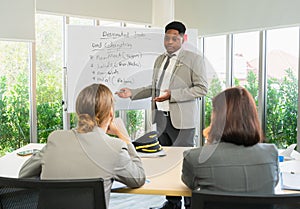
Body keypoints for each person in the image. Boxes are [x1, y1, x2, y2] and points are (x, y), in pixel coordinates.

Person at [116, 21, 208, 209]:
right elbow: (155, 88)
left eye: (175, 38)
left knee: (184, 163)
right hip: (161, 118)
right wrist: (132, 92)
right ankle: (172, 202)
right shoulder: (160, 59)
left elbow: (202, 88)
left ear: (184, 38)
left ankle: (190, 203)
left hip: (182, 121)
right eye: (167, 37)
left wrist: (172, 95)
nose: (170, 42)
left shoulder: (194, 59)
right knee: (166, 161)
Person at [19, 83, 146, 207]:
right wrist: (125, 138)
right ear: (111, 113)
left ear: (79, 111)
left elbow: (24, 173)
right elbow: (138, 178)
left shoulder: (56, 138)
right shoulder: (115, 147)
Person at [182, 87, 279, 204]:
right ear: (252, 116)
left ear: (218, 118)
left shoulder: (195, 157)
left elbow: (190, 183)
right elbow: (273, 183)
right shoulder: (271, 153)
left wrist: (211, 141)